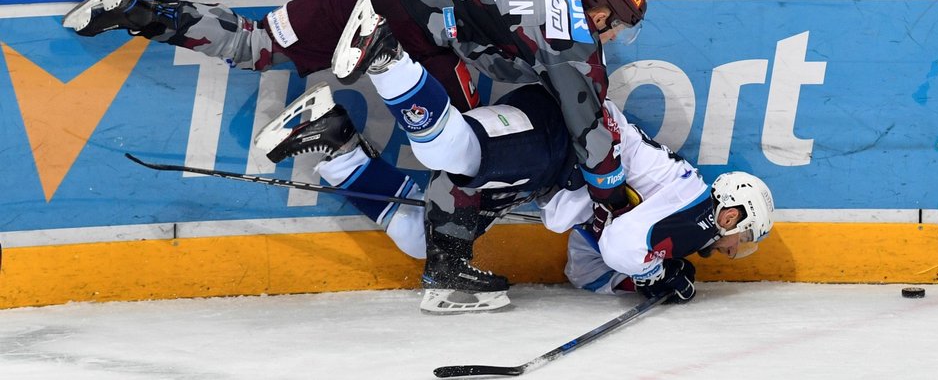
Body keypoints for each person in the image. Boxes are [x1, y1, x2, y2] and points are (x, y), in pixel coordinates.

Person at [61, 0, 646, 254]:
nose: (608, 32)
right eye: (610, 18)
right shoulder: (574, 42)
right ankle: (383, 68)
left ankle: (134, 12)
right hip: (428, 28)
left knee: (258, 42)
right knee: (464, 155)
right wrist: (614, 200)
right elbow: (592, 135)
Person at [251, 71, 774, 312]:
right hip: (561, 134)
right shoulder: (693, 201)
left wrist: (640, 281)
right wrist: (656, 270)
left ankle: (337, 145)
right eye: (742, 233)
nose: (735, 248)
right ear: (732, 212)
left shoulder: (664, 210)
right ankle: (392, 63)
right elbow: (624, 247)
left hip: (544, 176)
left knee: (422, 240)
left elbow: (587, 269)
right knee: (452, 150)